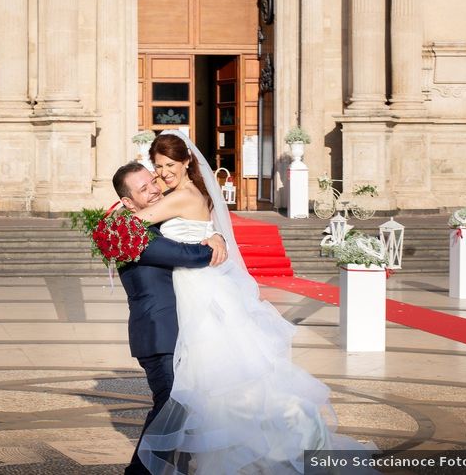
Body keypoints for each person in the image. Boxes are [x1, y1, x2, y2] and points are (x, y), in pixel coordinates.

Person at [131, 131, 371, 475]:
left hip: (199, 289)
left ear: (187, 162)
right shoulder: (185, 193)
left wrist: (126, 203)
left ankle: (276, 435)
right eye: (158, 166)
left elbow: (131, 224)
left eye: (170, 164)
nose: (164, 172)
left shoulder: (181, 196)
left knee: (214, 376)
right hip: (197, 286)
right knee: (210, 378)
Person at [111, 161, 228, 475]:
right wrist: (216, 243)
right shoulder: (131, 233)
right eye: (142, 189)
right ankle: (139, 471)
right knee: (170, 407)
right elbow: (185, 255)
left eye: (152, 183)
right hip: (157, 334)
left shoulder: (151, 225)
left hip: (172, 332)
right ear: (127, 202)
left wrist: (214, 234)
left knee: (181, 408)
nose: (152, 191)